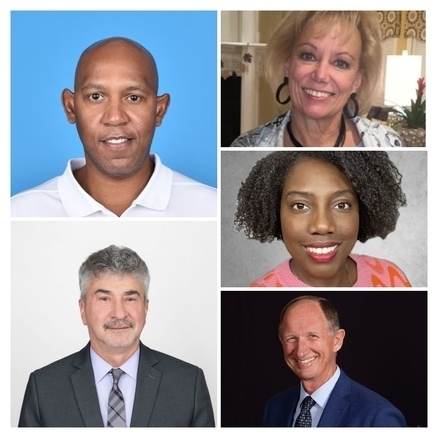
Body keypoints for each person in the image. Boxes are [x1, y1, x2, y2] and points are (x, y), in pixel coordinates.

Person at [11, 37, 217, 217]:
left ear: (159, 110)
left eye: (133, 97)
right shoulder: (17, 212)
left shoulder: (211, 208)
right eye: (96, 97)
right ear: (70, 107)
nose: (115, 117)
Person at [18, 245, 215, 427]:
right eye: (104, 299)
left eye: (130, 298)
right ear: (83, 309)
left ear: (146, 308)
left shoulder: (189, 384)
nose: (119, 313)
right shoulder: (43, 388)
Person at [234, 151, 411, 287]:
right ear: (274, 212)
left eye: (341, 205)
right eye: (300, 206)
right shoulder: (259, 291)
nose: (322, 225)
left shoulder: (392, 277)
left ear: (363, 210)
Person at [230, 11, 404, 147]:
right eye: (308, 55)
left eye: (341, 63)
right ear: (288, 65)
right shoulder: (245, 147)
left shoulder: (390, 144)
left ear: (357, 81)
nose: (320, 75)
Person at [263, 295, 406, 427]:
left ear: (337, 341)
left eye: (312, 336)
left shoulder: (378, 416)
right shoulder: (275, 408)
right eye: (291, 338)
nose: (300, 351)